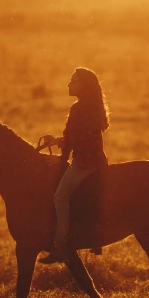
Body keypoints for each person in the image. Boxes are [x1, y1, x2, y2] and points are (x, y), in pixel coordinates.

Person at [38, 67, 110, 264]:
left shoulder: (77, 108)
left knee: (60, 197)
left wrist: (61, 160)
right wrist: (57, 141)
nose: (69, 85)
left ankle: (60, 246)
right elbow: (78, 137)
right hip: (98, 160)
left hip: (83, 162)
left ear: (83, 86)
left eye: (73, 81)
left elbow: (73, 139)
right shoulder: (94, 106)